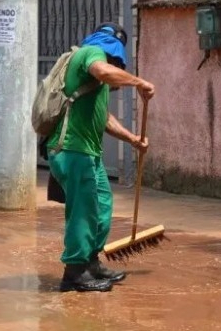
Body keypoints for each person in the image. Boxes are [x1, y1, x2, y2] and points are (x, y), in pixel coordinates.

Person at [47, 22, 155, 293]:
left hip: (88, 153)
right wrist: (138, 82)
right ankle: (73, 272)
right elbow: (102, 70)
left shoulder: (98, 81)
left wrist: (133, 140)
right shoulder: (89, 53)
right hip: (72, 149)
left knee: (102, 206)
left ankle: (91, 262)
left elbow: (103, 118)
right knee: (82, 212)